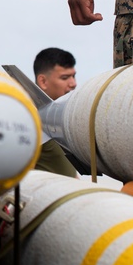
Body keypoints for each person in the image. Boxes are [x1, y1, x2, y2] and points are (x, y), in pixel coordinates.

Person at [32, 48, 78, 177]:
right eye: (65, 78)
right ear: (43, 81)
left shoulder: (63, 121)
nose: (73, 84)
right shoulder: (30, 121)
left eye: (73, 76)